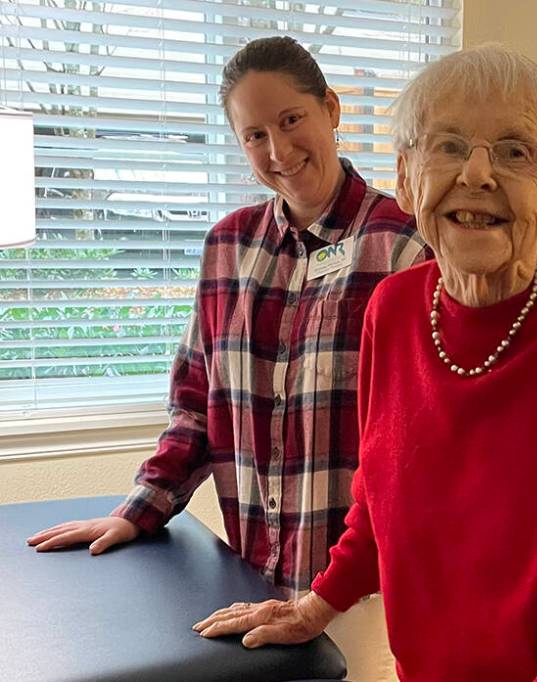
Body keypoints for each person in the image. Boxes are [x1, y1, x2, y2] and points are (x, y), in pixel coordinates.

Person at [193, 44, 537, 681]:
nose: (477, 174)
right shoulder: (394, 310)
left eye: (516, 151)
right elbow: (380, 503)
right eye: (449, 146)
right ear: (407, 180)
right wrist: (315, 605)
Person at [26, 36, 427, 682]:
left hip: (366, 595)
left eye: (292, 120)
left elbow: (420, 450)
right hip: (253, 578)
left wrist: (335, 592)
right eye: (254, 135)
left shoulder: (405, 244)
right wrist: (140, 509)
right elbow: (194, 408)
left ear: (331, 108)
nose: (278, 150)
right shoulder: (228, 247)